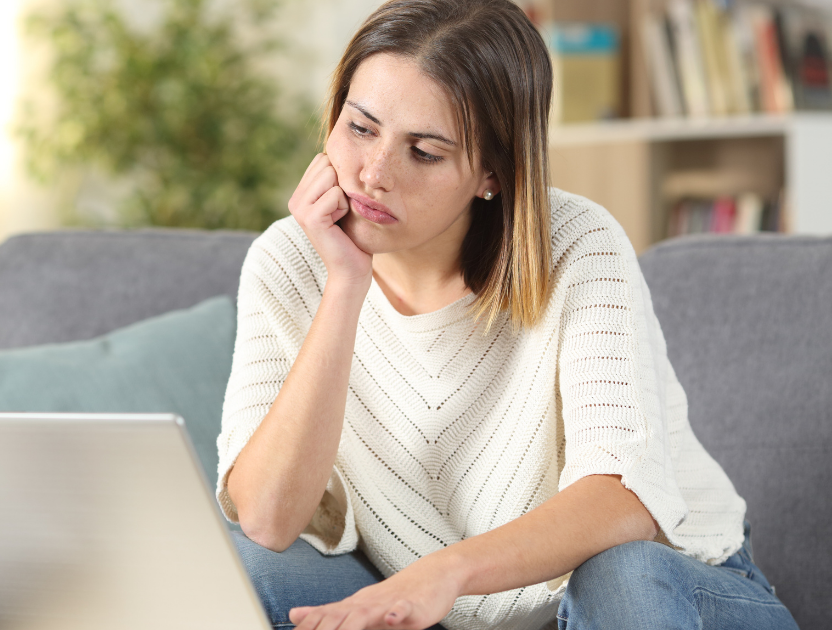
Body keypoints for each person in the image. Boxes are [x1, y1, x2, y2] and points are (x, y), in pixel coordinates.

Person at [214, 1, 800, 629]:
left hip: (669, 590)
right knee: (255, 564)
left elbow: (625, 500)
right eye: (360, 128)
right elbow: (269, 519)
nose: (374, 175)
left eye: (426, 152)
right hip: (434, 608)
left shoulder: (578, 244)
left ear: (491, 173)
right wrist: (345, 284)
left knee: (622, 572)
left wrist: (447, 572)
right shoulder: (288, 259)